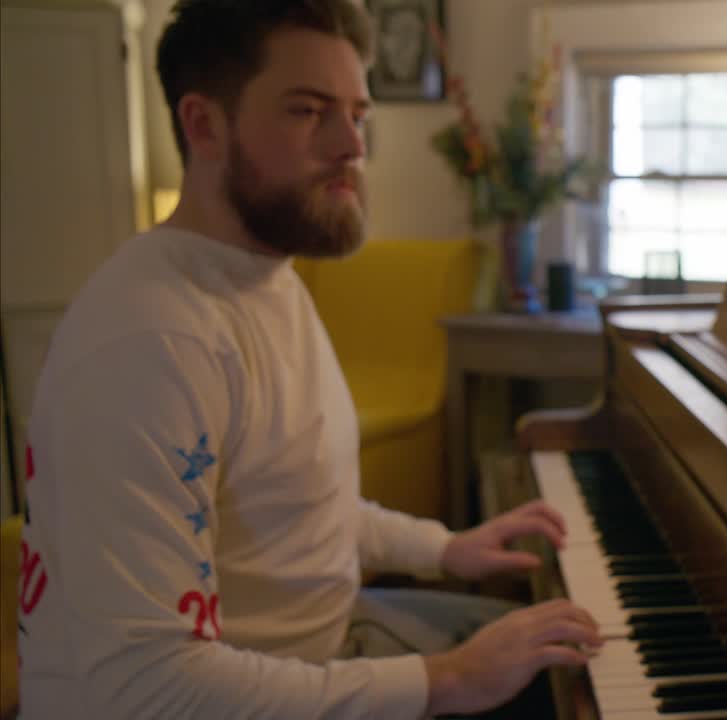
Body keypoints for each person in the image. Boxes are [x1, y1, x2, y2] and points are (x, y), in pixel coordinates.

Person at [15, 1, 600, 718]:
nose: (351, 144)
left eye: (357, 114)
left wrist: (445, 549)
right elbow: (150, 687)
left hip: (322, 645)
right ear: (204, 125)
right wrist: (449, 679)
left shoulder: (267, 275)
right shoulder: (151, 343)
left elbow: (297, 506)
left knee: (579, 660)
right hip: (212, 696)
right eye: (307, 111)